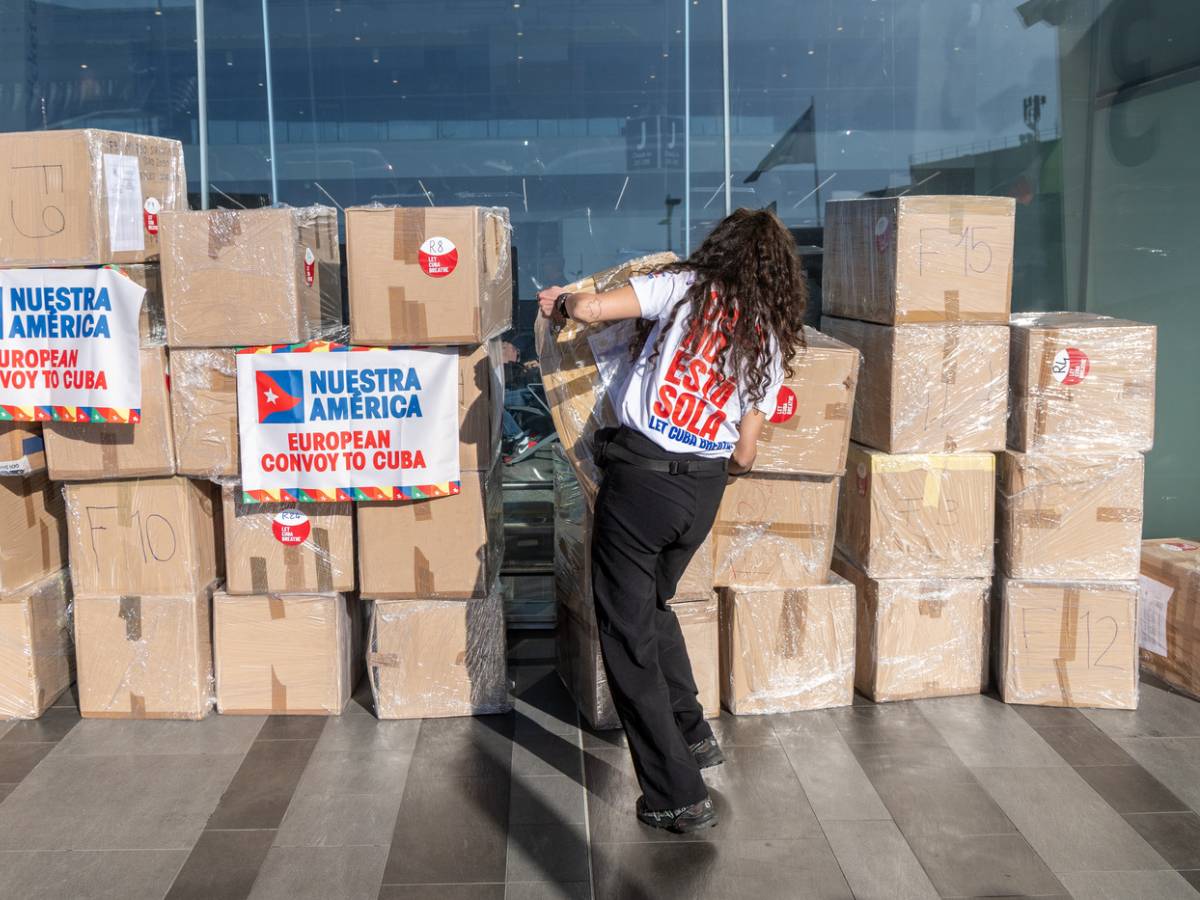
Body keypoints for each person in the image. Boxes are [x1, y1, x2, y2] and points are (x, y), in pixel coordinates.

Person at [537, 208, 807, 833]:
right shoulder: (767, 336)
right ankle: (693, 733)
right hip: (702, 494)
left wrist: (563, 302)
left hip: (641, 484)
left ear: (722, 249)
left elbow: (593, 310)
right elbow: (746, 454)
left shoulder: (685, 287)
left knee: (626, 637)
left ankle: (675, 794)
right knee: (651, 607)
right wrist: (704, 467)